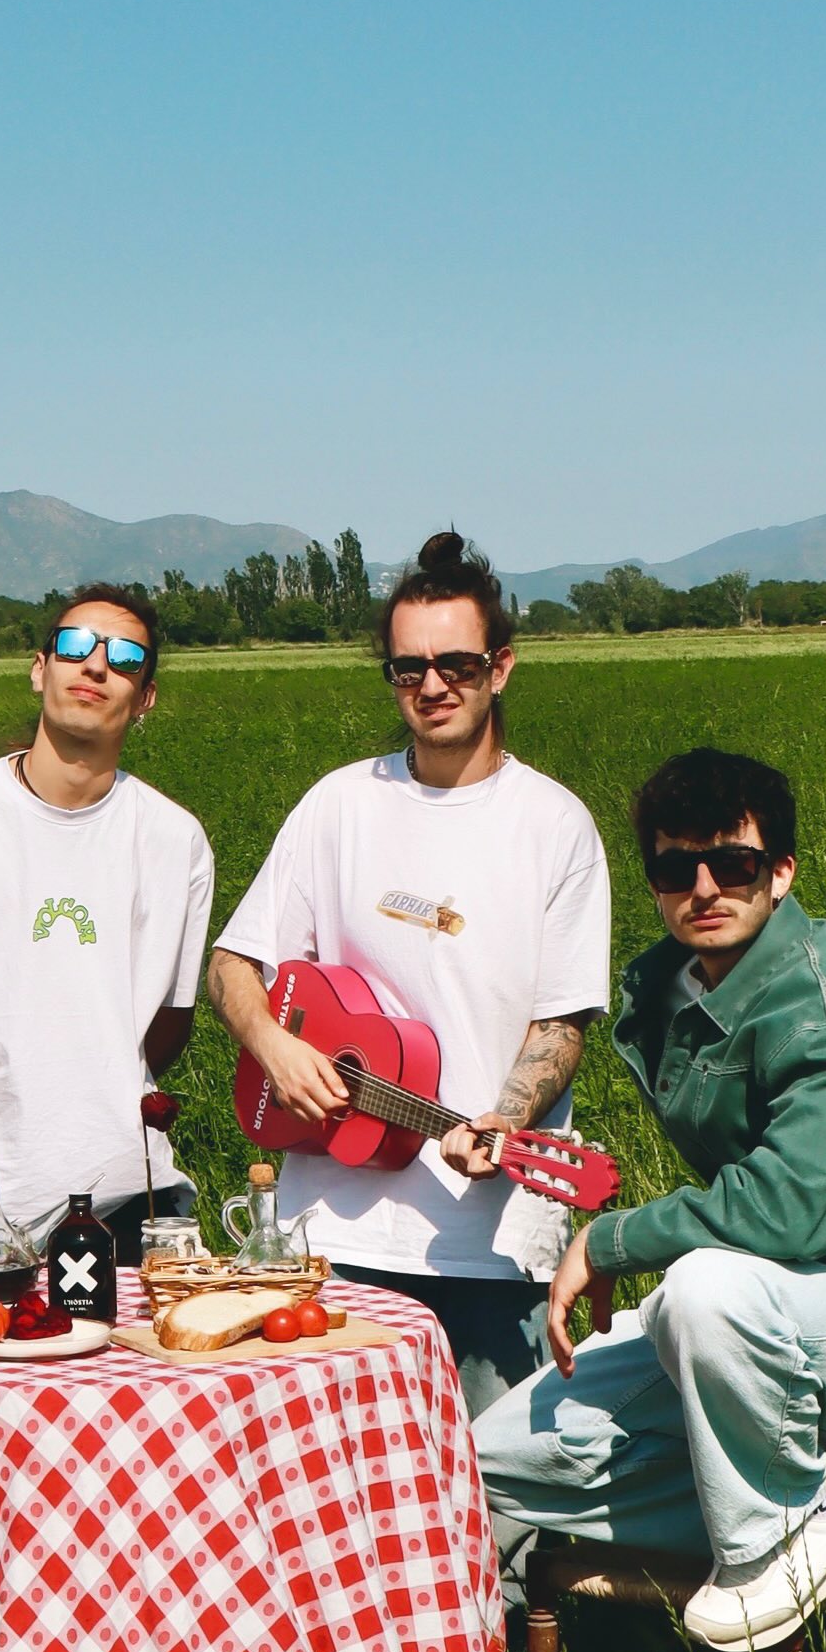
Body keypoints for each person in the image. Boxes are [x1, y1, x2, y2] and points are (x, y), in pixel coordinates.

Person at [472, 745, 826, 1648]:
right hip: (772, 1300)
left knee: (703, 1288)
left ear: (781, 872)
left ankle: (771, 1539)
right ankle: (802, 1486)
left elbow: (783, 1210)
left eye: (734, 863)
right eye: (677, 869)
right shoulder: (681, 985)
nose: (705, 888)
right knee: (491, 1460)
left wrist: (610, 1239)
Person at [206, 531, 611, 1416]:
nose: (433, 686)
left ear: (501, 667)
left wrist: (505, 1121)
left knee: (490, 1477)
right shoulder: (339, 804)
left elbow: (561, 1022)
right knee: (329, 1477)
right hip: (329, 1238)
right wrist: (273, 1045)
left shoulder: (555, 826)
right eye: (408, 669)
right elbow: (233, 961)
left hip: (486, 1246)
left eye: (457, 665)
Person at [0, 583, 213, 1257]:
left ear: (145, 698)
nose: (96, 665)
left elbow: (169, 1025)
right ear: (39, 669)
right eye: (75, 646)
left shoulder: (176, 841)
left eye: (125, 657)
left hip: (125, 1201)